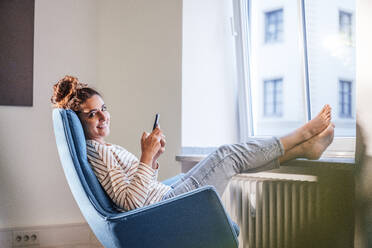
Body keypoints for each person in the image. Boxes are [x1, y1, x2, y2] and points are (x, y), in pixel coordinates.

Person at [51, 75, 335, 212]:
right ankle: (302, 135)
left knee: (227, 160)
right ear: (79, 122)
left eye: (103, 108)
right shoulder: (98, 152)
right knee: (227, 156)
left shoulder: (101, 149)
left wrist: (152, 157)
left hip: (161, 197)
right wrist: (146, 157)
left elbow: (138, 189)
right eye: (92, 114)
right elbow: (130, 203)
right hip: (164, 206)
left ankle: (304, 148)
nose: (102, 116)